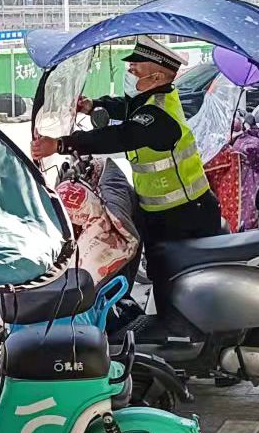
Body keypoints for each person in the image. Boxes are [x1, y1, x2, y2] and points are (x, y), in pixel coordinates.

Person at [31, 36, 223, 324]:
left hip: (185, 214)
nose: (130, 75)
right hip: (163, 212)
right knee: (162, 275)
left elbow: (122, 135)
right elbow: (125, 106)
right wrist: (92, 104)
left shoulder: (158, 116)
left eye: (136, 71)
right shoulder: (148, 101)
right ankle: (172, 329)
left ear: (156, 77)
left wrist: (61, 145)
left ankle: (181, 337)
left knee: (179, 281)